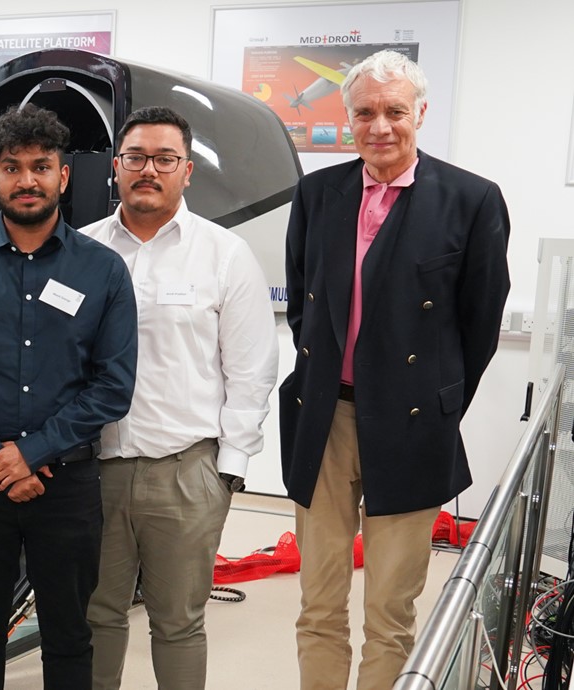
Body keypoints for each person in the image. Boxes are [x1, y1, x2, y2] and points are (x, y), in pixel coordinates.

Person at [280, 49, 510, 690]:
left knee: (390, 609)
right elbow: (304, 300)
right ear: (348, 118)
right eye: (365, 113)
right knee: (318, 603)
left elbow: (479, 326)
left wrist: (436, 402)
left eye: (394, 112)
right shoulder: (317, 192)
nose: (379, 126)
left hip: (410, 426)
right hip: (324, 420)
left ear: (421, 114)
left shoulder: (470, 200)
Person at [0, 103, 137, 690]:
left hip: (67, 486)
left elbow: (112, 386)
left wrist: (33, 451)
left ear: (63, 176)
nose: (26, 180)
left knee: (69, 634)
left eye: (41, 166)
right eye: (12, 167)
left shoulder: (104, 271)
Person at [80, 106, 278, 690]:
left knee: (179, 623)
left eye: (164, 159)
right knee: (95, 617)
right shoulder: (82, 251)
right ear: (116, 168)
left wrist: (229, 470)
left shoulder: (224, 254)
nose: (149, 169)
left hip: (186, 472)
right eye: (136, 157)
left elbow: (251, 368)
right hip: (93, 470)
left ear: (186, 171)